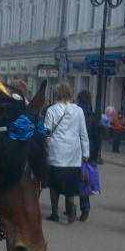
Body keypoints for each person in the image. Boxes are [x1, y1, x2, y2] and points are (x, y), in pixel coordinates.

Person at [44, 82, 89, 224]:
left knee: (54, 185)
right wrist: (85, 153)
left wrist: (45, 141)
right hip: (73, 154)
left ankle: (55, 213)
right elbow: (83, 133)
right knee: (70, 185)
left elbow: (46, 131)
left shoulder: (52, 110)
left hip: (56, 152)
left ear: (56, 94)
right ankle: (71, 209)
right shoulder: (79, 111)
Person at [76, 90, 100, 221]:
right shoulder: (93, 115)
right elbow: (97, 137)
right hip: (89, 151)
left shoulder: (76, 112)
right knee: (83, 178)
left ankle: (71, 205)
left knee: (74, 177)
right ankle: (85, 206)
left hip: (75, 149)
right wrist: (96, 154)